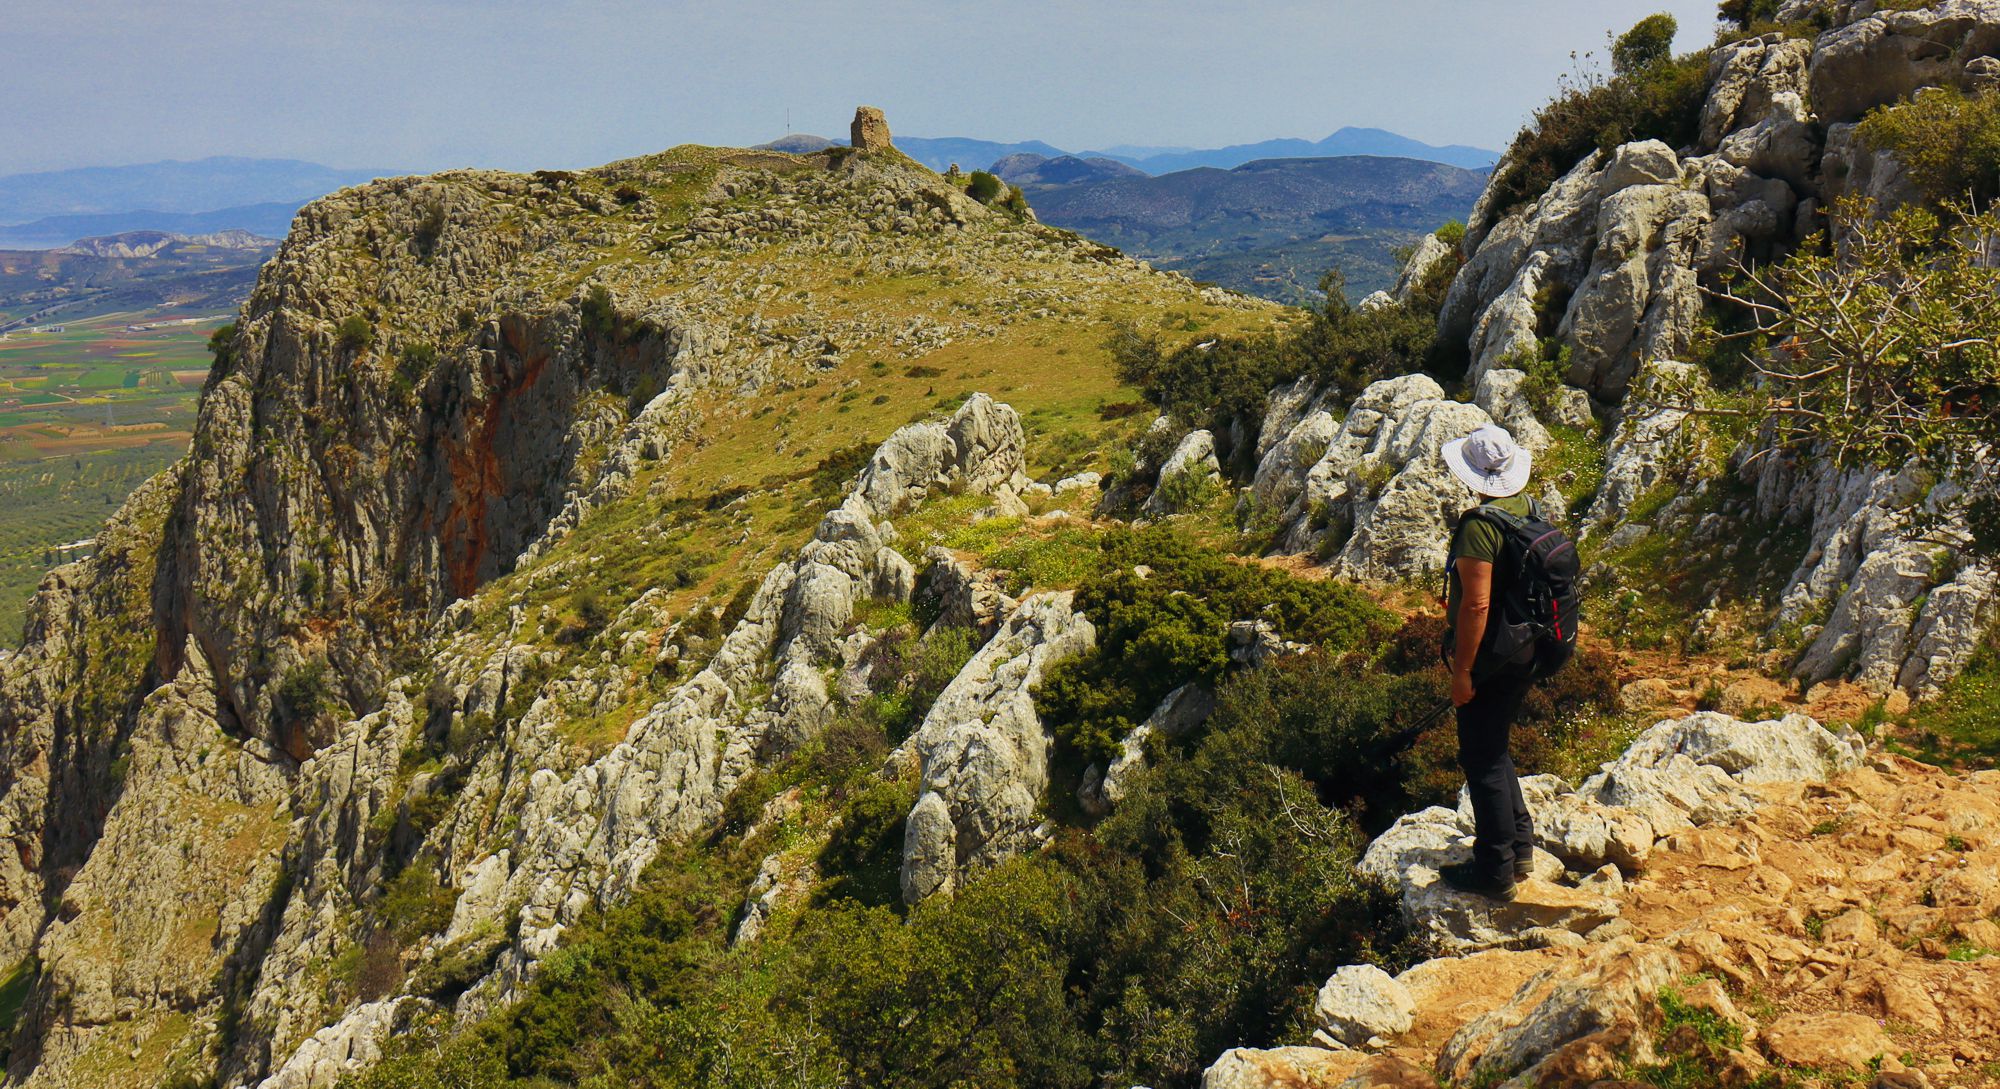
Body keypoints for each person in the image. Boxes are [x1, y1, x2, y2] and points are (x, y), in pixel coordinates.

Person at [1436, 424, 1539, 900]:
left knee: (1479, 755)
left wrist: (1461, 672)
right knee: (1495, 747)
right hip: (1527, 648)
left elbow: (1477, 607)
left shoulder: (1480, 526)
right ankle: (1520, 846)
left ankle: (1495, 872)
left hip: (1492, 656)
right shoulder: (1528, 510)